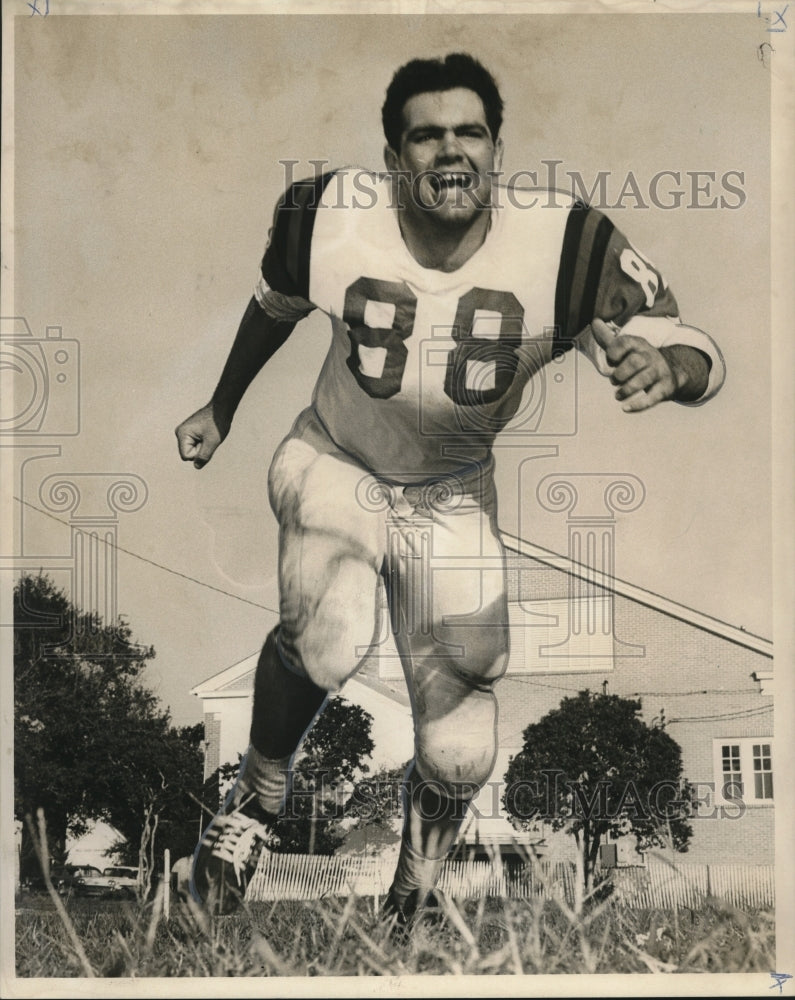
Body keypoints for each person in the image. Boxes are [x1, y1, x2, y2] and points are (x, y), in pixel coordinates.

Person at [175, 53, 725, 927]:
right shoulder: (331, 213)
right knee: (333, 633)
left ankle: (414, 891)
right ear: (394, 157)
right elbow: (276, 303)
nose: (449, 151)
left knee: (463, 744)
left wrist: (670, 366)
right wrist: (221, 406)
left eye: (468, 131)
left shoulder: (564, 243)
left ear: (497, 147)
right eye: (425, 136)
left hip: (453, 493)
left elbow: (690, 342)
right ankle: (256, 802)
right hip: (336, 459)